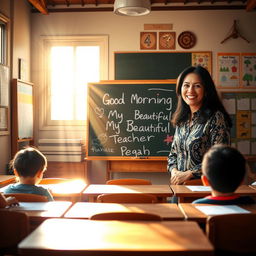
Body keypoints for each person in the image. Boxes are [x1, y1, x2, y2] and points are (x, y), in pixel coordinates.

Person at [167, 65, 232, 185]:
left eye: (197, 86)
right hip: (178, 187)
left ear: (206, 90)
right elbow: (173, 154)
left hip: (204, 188)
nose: (190, 90)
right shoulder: (182, 119)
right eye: (186, 85)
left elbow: (220, 157)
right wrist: (174, 171)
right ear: (180, 89)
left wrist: (190, 173)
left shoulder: (216, 118)